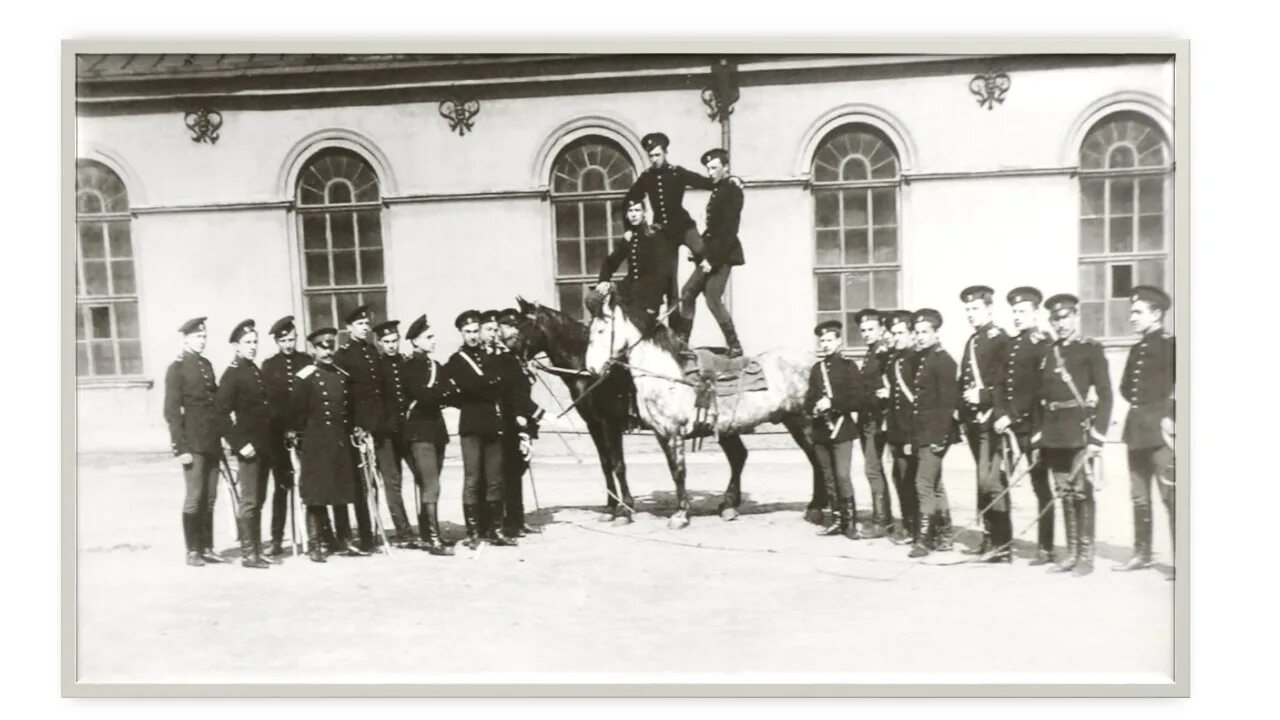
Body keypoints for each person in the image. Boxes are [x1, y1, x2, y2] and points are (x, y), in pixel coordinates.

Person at [1032, 294, 1112, 576]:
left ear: (1076, 317)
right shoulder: (1048, 352)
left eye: (1065, 317)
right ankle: (1072, 553)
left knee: (1081, 492)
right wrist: (1039, 434)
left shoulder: (1090, 350)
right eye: (1055, 318)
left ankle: (1086, 556)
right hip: (1054, 434)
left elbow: (1105, 394)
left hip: (1079, 432)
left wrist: (1098, 436)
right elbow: (1041, 396)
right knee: (1064, 492)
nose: (1060, 323)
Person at [1113, 285, 1176, 575]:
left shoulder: (1171, 345)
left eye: (1138, 312)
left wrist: (1171, 416)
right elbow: (1126, 387)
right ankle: (1142, 553)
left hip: (1162, 433)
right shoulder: (1137, 349)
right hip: (1136, 432)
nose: (1133, 318)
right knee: (1139, 496)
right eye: (1131, 312)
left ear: (1157, 313)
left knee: (1171, 497)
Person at [291, 327, 364, 562]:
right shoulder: (305, 377)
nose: (328, 351)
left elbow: (350, 410)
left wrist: (357, 427)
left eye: (330, 346)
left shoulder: (342, 376)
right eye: (322, 347)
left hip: (339, 442)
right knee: (317, 493)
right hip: (315, 443)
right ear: (313, 349)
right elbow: (297, 413)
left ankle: (344, 541)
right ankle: (317, 543)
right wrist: (299, 437)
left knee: (341, 490)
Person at [993, 286, 1055, 565]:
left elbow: (1038, 390)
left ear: (1036, 313)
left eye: (1022, 311)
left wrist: (1013, 415)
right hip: (1008, 428)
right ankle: (1002, 544)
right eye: (1014, 312)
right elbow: (999, 384)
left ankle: (1045, 546)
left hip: (1034, 426)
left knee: (1040, 486)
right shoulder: (1011, 344)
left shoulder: (1043, 344)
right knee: (1000, 483)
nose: (1017, 317)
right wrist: (999, 414)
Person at [624, 132, 716, 314]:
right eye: (651, 156)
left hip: (683, 226)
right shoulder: (647, 177)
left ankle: (700, 288)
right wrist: (629, 228)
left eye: (657, 155)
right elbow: (630, 199)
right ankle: (675, 326)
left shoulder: (677, 172)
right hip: (663, 234)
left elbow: (706, 182)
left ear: (665, 153)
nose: (654, 159)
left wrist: (729, 180)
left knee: (704, 253)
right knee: (669, 280)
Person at [446, 310, 515, 548]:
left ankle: (496, 530)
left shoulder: (492, 356)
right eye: (468, 332)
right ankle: (474, 532)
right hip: (472, 426)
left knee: (495, 478)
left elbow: (505, 382)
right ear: (461, 333)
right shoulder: (457, 361)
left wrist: (489, 383)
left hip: (493, 425)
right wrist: (491, 382)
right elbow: (471, 386)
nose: (473, 336)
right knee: (473, 479)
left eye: (476, 331)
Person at [163, 317, 226, 566]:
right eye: (198, 337)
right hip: (193, 443)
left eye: (204, 336)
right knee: (194, 496)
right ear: (186, 339)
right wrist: (180, 447)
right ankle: (192, 550)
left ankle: (207, 547)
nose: (202, 340)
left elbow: (216, 402)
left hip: (211, 441)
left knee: (210, 497)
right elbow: (171, 411)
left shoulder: (206, 365)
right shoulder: (176, 368)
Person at [957, 285, 1013, 561]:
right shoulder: (973, 341)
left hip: (994, 421)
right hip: (975, 423)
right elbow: (963, 381)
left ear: (989, 309)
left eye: (975, 308)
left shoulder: (999, 339)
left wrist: (982, 395)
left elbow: (1006, 383)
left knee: (993, 482)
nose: (970, 314)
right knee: (983, 481)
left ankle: (1002, 543)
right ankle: (990, 537)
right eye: (967, 309)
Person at [215, 319, 274, 569]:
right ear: (236, 346)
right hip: (249, 448)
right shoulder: (232, 374)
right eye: (247, 343)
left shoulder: (253, 369)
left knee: (258, 500)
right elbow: (220, 414)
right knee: (248, 501)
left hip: (263, 446)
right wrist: (239, 444)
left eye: (254, 342)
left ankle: (257, 550)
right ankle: (249, 553)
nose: (252, 346)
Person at [675, 148, 746, 355]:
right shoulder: (720, 189)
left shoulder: (732, 190)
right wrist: (699, 253)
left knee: (711, 297)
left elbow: (729, 231)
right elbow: (714, 229)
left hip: (723, 255)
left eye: (714, 168)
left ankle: (735, 345)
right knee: (688, 293)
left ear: (726, 168)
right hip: (712, 253)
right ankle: (683, 342)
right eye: (708, 168)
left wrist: (711, 260)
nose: (710, 172)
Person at [906, 309, 960, 558]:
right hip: (923, 431)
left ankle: (924, 540)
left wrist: (939, 438)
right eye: (916, 333)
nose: (919, 337)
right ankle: (944, 535)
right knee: (936, 485)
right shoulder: (924, 358)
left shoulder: (943, 360)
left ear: (936, 333)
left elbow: (948, 404)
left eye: (925, 332)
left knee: (923, 483)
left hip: (935, 433)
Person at [805, 319, 866, 540]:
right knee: (829, 477)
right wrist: (813, 408)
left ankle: (850, 523)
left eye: (830, 340)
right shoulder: (816, 369)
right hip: (821, 431)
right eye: (822, 340)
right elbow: (809, 398)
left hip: (842, 430)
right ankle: (837, 520)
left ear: (839, 341)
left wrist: (832, 403)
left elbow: (857, 399)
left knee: (842, 476)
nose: (826, 344)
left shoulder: (849, 367)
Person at [260, 315, 314, 556]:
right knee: (281, 488)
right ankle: (276, 538)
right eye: (283, 341)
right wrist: (284, 429)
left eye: (291, 339)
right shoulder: (269, 366)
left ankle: (315, 536)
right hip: (279, 437)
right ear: (277, 342)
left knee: (310, 485)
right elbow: (270, 403)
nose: (288, 345)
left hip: (305, 433)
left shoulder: (307, 361)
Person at [403, 314, 455, 555]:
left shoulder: (436, 367)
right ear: (415, 341)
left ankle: (427, 535)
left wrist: (439, 392)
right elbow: (423, 396)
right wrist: (441, 392)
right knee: (431, 485)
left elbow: (447, 392)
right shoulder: (409, 367)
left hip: (437, 432)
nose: (434, 341)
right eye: (429, 337)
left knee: (430, 485)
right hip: (418, 433)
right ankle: (433, 539)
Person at [333, 304, 382, 553]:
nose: (365, 328)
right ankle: (362, 535)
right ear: (349, 328)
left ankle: (372, 531)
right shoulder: (343, 355)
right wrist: (355, 426)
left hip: (375, 425)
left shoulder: (372, 351)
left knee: (372, 482)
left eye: (367, 324)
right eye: (360, 324)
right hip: (356, 429)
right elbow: (345, 397)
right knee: (358, 484)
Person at [595, 199, 683, 332]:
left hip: (648, 296)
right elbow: (611, 261)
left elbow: (664, 273)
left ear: (645, 213)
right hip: (627, 290)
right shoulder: (630, 237)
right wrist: (603, 281)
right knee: (593, 299)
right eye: (630, 211)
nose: (633, 214)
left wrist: (653, 304)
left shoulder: (655, 235)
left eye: (637, 210)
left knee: (635, 330)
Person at [496, 308, 547, 537]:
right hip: (510, 420)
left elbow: (523, 385)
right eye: (510, 326)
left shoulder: (517, 355)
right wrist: (530, 413)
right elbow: (511, 391)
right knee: (510, 471)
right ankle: (510, 521)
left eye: (515, 326)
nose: (515, 331)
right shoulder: (502, 357)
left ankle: (518, 519)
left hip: (522, 419)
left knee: (519, 469)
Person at [374, 319, 419, 548]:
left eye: (394, 341)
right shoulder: (376, 366)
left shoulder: (404, 362)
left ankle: (426, 526)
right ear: (379, 343)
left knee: (422, 474)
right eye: (386, 342)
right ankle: (404, 532)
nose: (392, 345)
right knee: (393, 482)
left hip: (407, 430)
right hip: (386, 434)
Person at [882, 310, 921, 545]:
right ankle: (909, 526)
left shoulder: (917, 359)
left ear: (911, 333)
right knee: (901, 478)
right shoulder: (894, 360)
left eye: (901, 333)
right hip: (896, 428)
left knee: (916, 481)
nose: (896, 338)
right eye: (893, 333)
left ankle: (925, 530)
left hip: (912, 429)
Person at [854, 309, 893, 539]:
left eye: (871, 329)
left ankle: (882, 521)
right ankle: (884, 518)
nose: (867, 334)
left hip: (880, 419)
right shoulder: (872, 352)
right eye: (863, 330)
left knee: (873, 469)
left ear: (881, 329)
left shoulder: (883, 352)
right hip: (868, 418)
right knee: (874, 469)